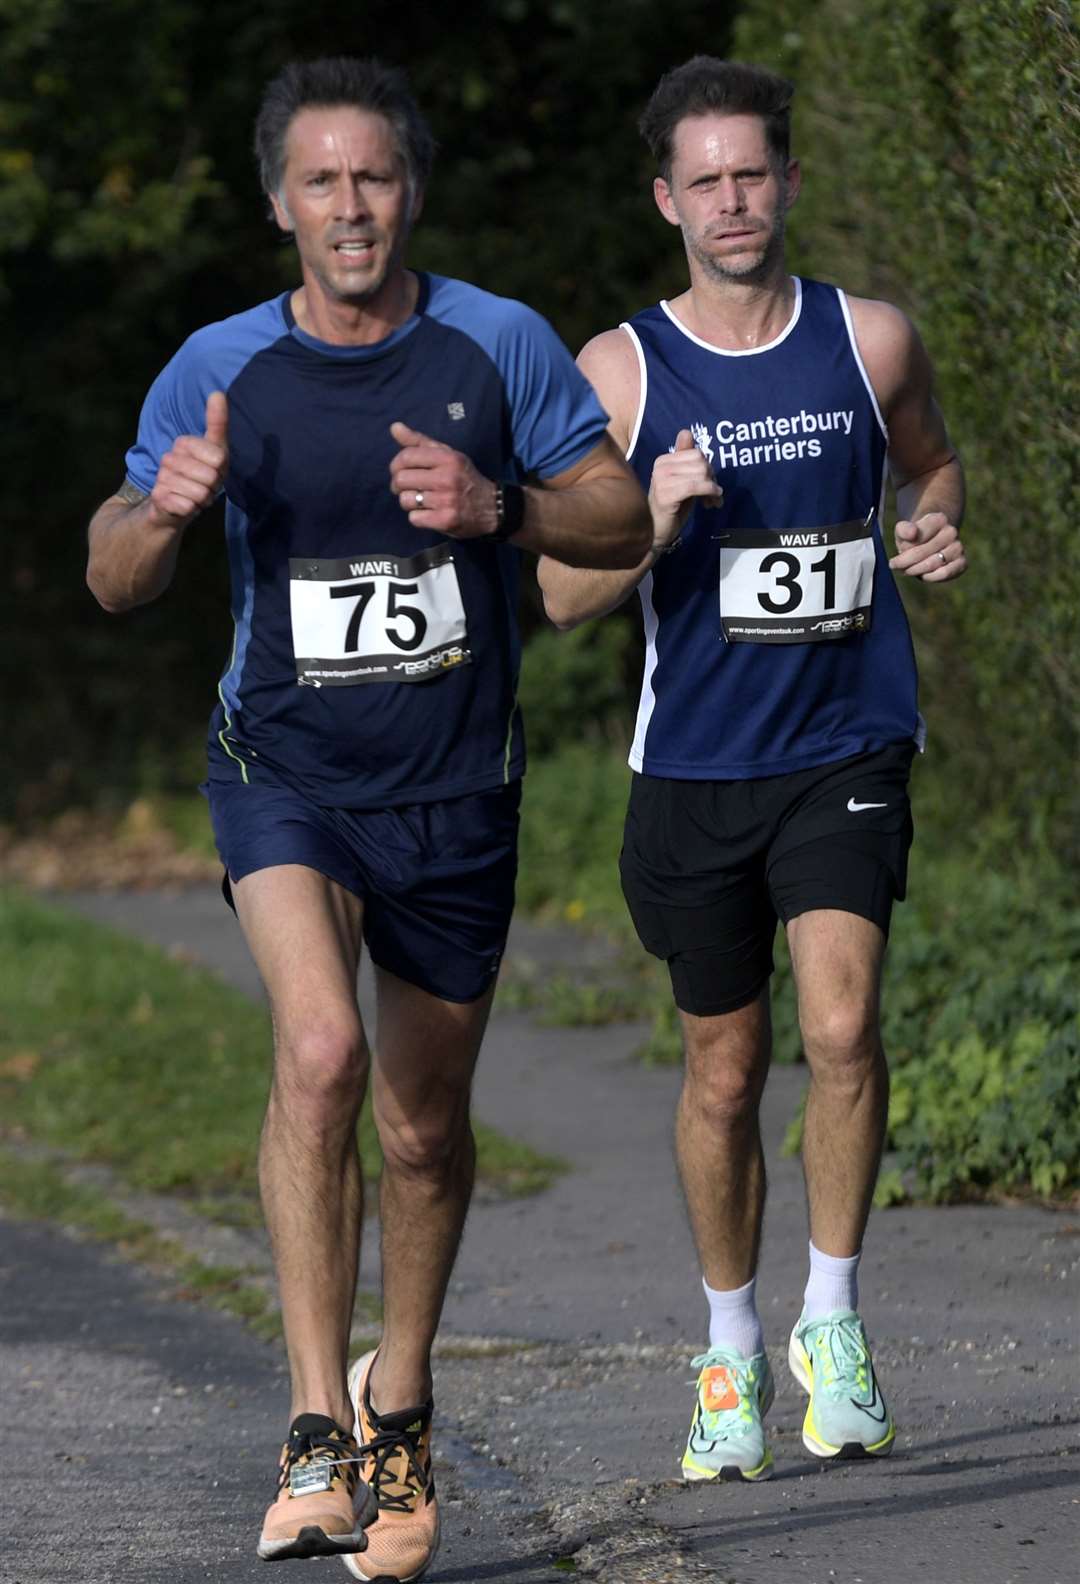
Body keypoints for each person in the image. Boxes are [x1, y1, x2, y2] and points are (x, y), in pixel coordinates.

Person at [87, 55, 650, 1576]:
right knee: (321, 1055)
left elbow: (621, 513)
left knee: (421, 1122)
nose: (352, 207)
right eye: (323, 181)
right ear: (282, 203)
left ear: (411, 193)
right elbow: (112, 568)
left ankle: (400, 1404)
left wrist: (502, 511)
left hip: (456, 788)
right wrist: (162, 510)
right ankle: (312, 1426)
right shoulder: (220, 366)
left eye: (376, 178)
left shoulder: (499, 343)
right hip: (284, 772)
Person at [538, 56, 967, 1484]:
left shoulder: (872, 340)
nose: (733, 200)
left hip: (846, 743)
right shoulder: (620, 372)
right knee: (724, 1072)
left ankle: (830, 1329)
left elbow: (931, 465)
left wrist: (934, 523)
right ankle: (728, 1352)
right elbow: (556, 594)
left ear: (788, 180)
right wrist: (650, 520)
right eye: (704, 180)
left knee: (841, 1030)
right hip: (696, 768)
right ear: (668, 199)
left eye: (754, 173)